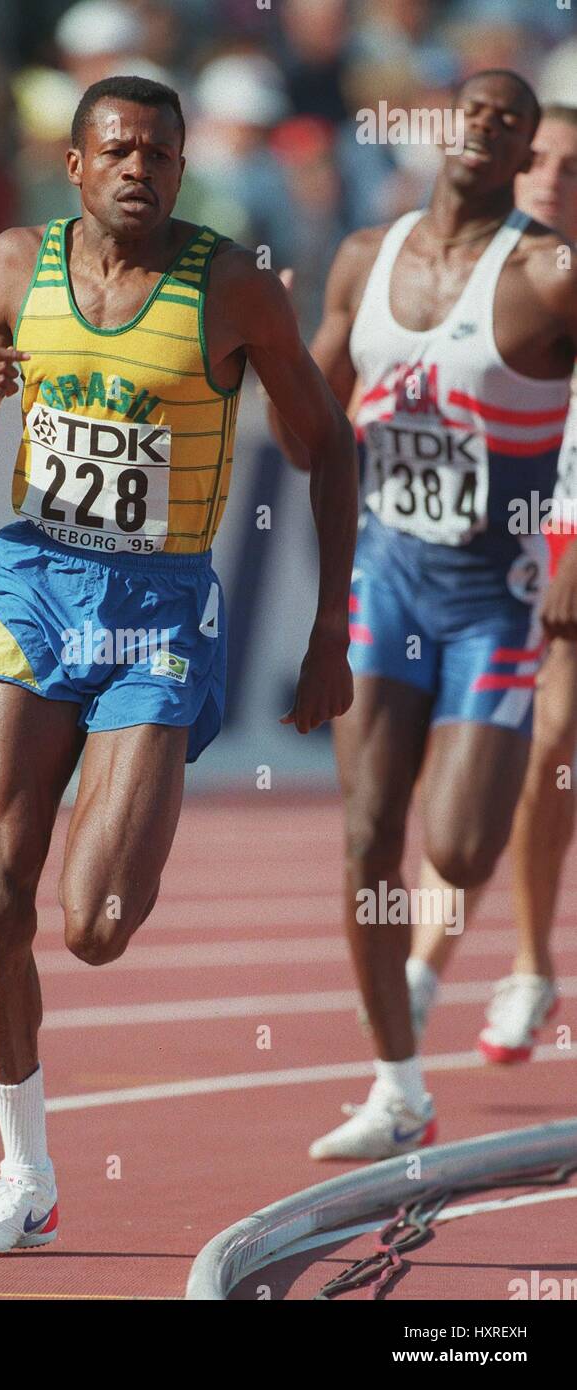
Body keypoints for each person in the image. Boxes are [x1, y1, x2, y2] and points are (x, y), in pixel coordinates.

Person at [0, 74, 356, 1252]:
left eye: (160, 154)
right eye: (117, 150)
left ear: (181, 168)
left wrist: (330, 628)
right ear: (75, 164)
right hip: (32, 582)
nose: (138, 169)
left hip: (158, 608)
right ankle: (25, 1177)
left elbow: (328, 448)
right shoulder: (12, 267)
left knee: (97, 923)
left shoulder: (233, 287)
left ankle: (138, 779)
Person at [270, 71, 576, 1161]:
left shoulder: (549, 273)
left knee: (457, 842)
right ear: (442, 127)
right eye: (472, 110)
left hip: (494, 599)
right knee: (366, 837)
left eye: (509, 120)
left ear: (523, 150)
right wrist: (263, 363)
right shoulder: (367, 254)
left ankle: (489, 970)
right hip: (386, 581)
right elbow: (306, 424)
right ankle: (398, 1087)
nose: (485, 127)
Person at [407, 106, 577, 1062]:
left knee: (548, 741)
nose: (550, 176)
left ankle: (519, 965)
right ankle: (436, 969)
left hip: (571, 534)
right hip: (486, 536)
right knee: (482, 753)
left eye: (572, 166)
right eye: (537, 158)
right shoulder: (470, 267)